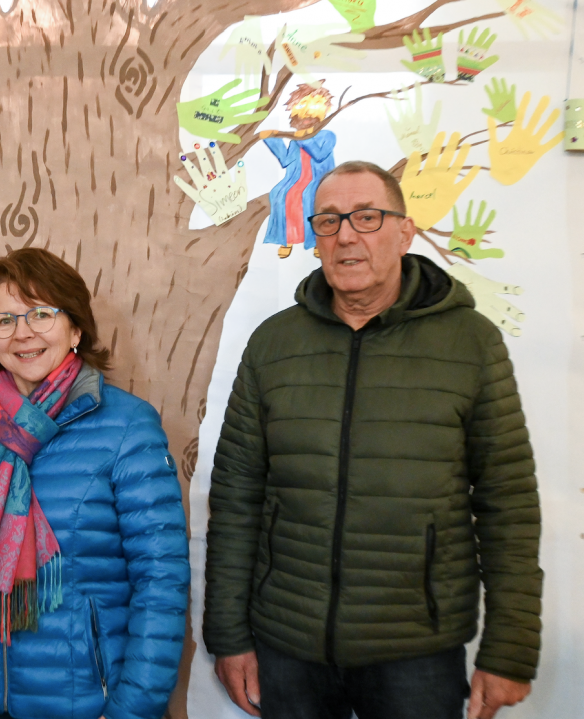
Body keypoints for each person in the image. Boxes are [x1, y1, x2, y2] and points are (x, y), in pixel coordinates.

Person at [204, 161, 541, 719]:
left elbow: (508, 504)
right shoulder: (273, 345)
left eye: (367, 217)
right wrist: (229, 636)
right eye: (329, 221)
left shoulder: (470, 344)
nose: (346, 236)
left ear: (404, 232)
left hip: (416, 651)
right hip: (288, 643)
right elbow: (236, 500)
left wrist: (509, 649)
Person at [0, 248, 189, 719]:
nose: (23, 333)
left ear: (76, 328)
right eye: (4, 320)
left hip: (88, 702)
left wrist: (130, 710)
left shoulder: (126, 426)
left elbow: (161, 581)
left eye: (41, 314)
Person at [261, 81, 337, 260]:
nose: (306, 119)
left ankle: (317, 241)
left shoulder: (327, 136)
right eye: (303, 115)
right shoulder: (295, 139)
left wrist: (304, 138)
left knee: (309, 197)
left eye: (311, 116)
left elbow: (319, 155)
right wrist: (273, 140)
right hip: (295, 179)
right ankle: (285, 239)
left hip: (319, 180)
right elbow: (286, 161)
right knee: (279, 194)